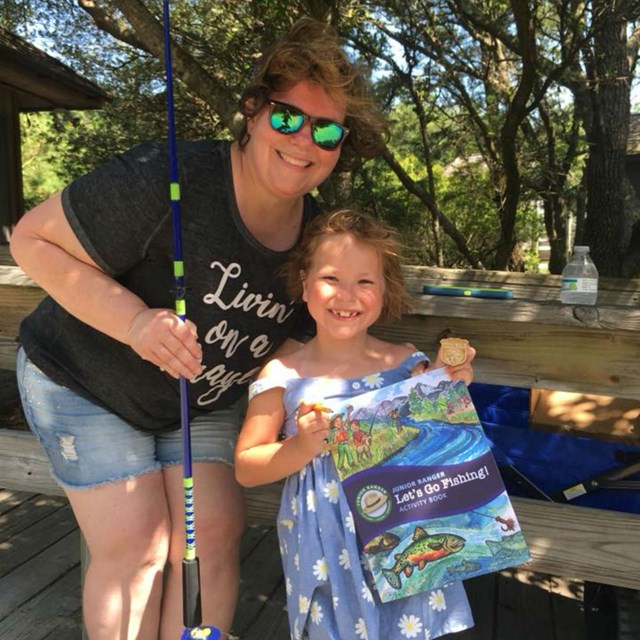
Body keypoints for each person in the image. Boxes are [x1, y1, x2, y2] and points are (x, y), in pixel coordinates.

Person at [9, 18, 388, 640]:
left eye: (328, 130)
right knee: (138, 546)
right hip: (82, 381)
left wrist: (412, 379)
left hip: (199, 400)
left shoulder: (319, 240)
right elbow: (30, 238)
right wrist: (134, 322)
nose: (305, 141)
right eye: (289, 117)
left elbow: (311, 343)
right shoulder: (167, 175)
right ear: (252, 109)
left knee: (212, 532)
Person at [235, 209, 477, 640]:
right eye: (331, 278)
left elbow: (438, 440)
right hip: (324, 544)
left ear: (385, 291)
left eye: (365, 281)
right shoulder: (282, 375)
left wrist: (447, 386)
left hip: (402, 531)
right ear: (305, 285)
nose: (347, 295)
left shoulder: (406, 363)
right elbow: (247, 466)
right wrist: (299, 447)